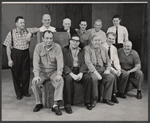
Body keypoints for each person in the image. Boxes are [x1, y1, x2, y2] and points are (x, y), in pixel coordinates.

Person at [3, 16, 39, 100]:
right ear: (16, 24)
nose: (23, 24)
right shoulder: (11, 33)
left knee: (26, 73)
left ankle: (25, 91)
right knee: (16, 74)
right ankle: (19, 93)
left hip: (25, 53)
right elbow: (8, 47)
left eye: (24, 22)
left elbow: (38, 29)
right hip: (15, 54)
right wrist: (9, 59)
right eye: (21, 23)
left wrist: (30, 33)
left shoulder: (27, 30)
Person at [31, 30, 64, 115]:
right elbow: (36, 62)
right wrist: (36, 75)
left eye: (50, 38)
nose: (49, 40)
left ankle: (55, 105)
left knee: (60, 81)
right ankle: (39, 103)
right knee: (34, 83)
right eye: (47, 38)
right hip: (42, 72)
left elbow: (60, 62)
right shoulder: (38, 47)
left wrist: (59, 74)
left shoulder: (57, 47)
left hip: (54, 71)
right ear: (43, 39)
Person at [62, 34, 93, 114]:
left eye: (77, 41)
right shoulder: (64, 50)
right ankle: (67, 105)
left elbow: (84, 63)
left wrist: (81, 73)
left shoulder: (82, 51)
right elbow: (63, 64)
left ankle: (87, 102)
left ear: (79, 43)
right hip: (69, 70)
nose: (75, 43)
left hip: (79, 70)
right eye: (73, 41)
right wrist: (72, 74)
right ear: (70, 41)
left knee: (88, 78)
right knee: (68, 80)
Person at [84, 34, 115, 106]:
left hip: (102, 68)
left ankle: (106, 98)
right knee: (94, 78)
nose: (97, 42)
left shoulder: (103, 48)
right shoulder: (87, 49)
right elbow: (88, 62)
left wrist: (108, 69)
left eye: (99, 40)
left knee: (111, 77)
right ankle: (94, 99)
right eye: (95, 40)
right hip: (92, 69)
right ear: (91, 41)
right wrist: (96, 73)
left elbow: (108, 60)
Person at [102, 32, 129, 101]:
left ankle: (121, 92)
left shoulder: (114, 48)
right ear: (106, 38)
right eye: (109, 38)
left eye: (112, 39)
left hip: (112, 65)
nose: (111, 40)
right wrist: (114, 70)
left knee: (125, 74)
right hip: (105, 66)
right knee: (114, 75)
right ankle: (113, 94)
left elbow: (116, 60)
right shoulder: (102, 47)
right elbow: (104, 62)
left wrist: (119, 69)